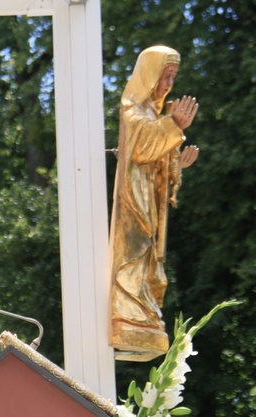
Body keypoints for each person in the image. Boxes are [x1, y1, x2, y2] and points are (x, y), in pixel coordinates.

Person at [109, 46, 200, 360]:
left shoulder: (151, 113)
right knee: (133, 254)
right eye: (165, 77)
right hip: (134, 201)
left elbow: (156, 157)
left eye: (172, 78)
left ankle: (142, 318)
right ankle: (128, 318)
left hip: (148, 198)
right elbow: (143, 148)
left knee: (146, 257)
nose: (168, 85)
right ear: (149, 75)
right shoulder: (132, 109)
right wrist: (174, 126)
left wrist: (176, 164)